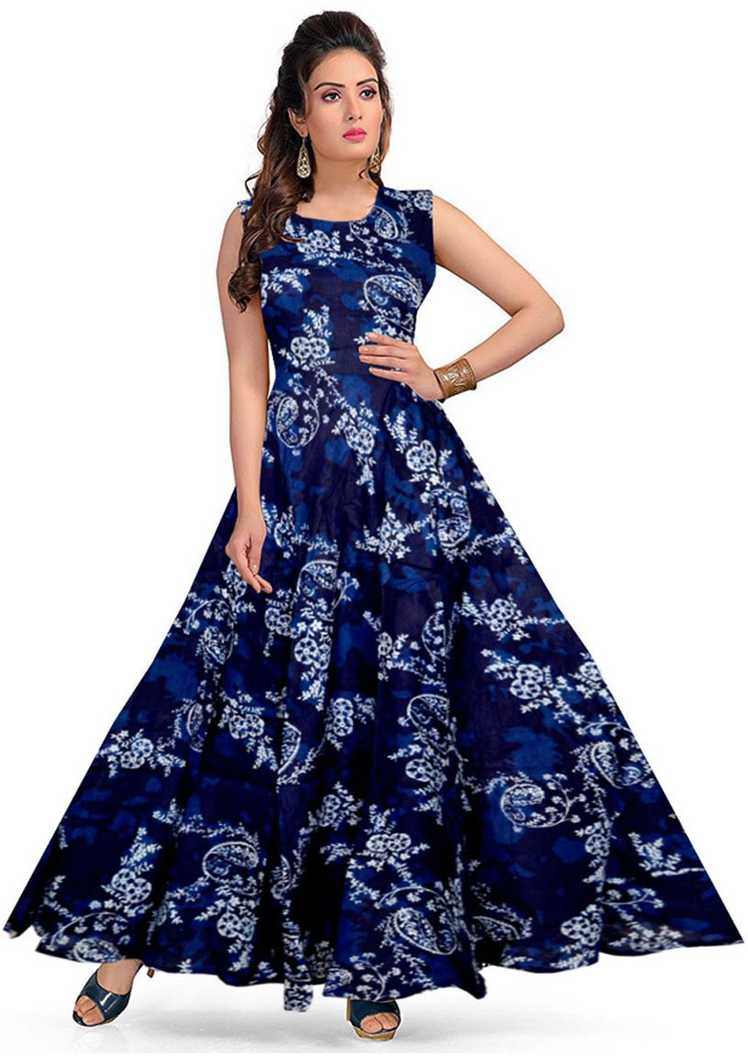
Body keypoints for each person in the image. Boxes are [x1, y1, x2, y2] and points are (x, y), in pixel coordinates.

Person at [4, 10, 742, 1043]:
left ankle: (380, 956)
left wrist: (448, 375)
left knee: (412, 717)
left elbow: (541, 309)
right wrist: (250, 504)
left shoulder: (421, 217)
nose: (356, 110)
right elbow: (246, 376)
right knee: (222, 707)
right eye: (332, 95)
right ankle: (128, 942)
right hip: (295, 500)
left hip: (415, 502)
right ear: (297, 116)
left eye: (369, 91)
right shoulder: (252, 228)